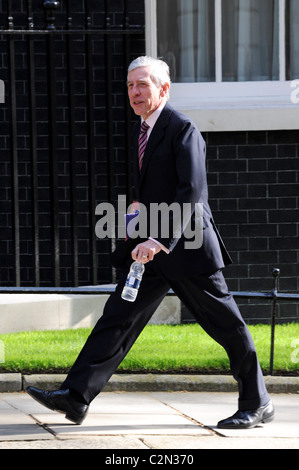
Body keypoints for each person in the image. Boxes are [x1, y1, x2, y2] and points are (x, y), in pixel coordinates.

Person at [27, 56, 274, 429]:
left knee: (226, 324)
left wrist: (158, 239)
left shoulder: (183, 129)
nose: (135, 92)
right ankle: (75, 397)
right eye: (130, 86)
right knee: (118, 318)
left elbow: (191, 194)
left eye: (143, 84)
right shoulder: (143, 129)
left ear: (164, 88)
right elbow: (153, 190)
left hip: (187, 247)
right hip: (151, 247)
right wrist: (135, 221)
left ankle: (258, 403)